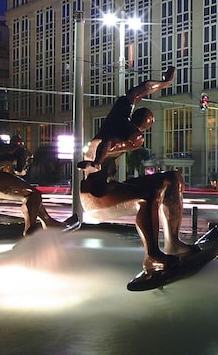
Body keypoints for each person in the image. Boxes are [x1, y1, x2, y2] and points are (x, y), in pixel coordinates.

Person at [76, 67, 201, 277]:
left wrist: (164, 83)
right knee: (147, 197)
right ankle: (152, 255)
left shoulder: (119, 114)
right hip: (95, 197)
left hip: (109, 189)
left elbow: (140, 90)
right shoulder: (134, 137)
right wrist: (97, 162)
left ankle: (173, 243)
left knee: (173, 178)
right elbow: (109, 142)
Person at [0, 135, 61, 235]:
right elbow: (20, 171)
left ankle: (48, 221)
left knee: (32, 197)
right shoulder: (19, 150)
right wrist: (26, 165)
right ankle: (31, 229)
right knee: (34, 194)